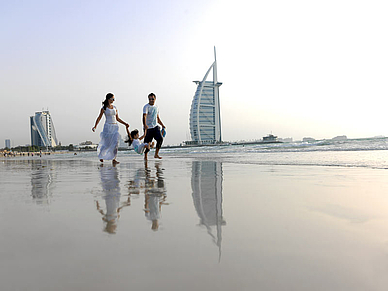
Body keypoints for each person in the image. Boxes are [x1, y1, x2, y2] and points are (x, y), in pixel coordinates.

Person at [92, 93, 129, 164]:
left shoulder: (115, 108)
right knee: (107, 144)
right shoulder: (104, 108)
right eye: (113, 99)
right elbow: (99, 118)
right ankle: (101, 156)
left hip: (115, 127)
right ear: (109, 99)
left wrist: (125, 124)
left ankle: (114, 159)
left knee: (115, 143)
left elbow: (117, 118)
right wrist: (95, 126)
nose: (114, 100)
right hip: (107, 127)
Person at [142, 93, 166, 160]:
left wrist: (162, 124)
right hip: (148, 128)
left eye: (152, 99)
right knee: (147, 143)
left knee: (160, 139)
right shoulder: (146, 107)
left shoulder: (156, 107)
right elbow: (144, 116)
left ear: (155, 99)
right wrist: (145, 125)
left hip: (155, 127)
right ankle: (145, 155)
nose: (151, 100)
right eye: (150, 99)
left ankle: (156, 154)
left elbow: (157, 118)